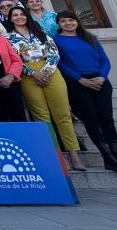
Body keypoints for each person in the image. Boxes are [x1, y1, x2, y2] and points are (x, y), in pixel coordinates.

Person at [6, 6, 86, 171]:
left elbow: (54, 53)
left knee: (62, 114)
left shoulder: (41, 32)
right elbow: (13, 59)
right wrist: (33, 73)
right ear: (10, 19)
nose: (19, 17)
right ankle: (54, 155)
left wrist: (45, 72)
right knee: (41, 116)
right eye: (15, 15)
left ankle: (74, 154)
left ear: (27, 16)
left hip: (50, 72)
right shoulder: (8, 38)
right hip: (29, 75)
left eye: (22, 14)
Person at [55, 11, 117, 171]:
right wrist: (81, 80)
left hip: (100, 81)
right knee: (91, 118)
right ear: (59, 24)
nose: (68, 23)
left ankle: (114, 151)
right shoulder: (56, 40)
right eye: (63, 21)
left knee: (107, 117)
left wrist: (102, 77)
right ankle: (106, 156)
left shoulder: (90, 38)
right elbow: (60, 63)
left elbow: (105, 60)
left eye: (71, 20)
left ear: (77, 21)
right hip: (78, 83)